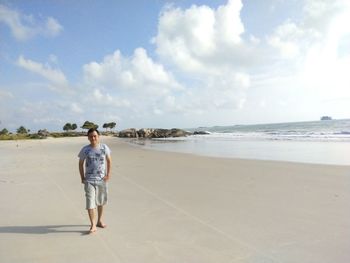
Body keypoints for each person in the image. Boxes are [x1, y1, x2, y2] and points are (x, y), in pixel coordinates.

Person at [78, 128, 111, 234]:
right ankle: (93, 224)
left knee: (100, 202)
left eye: (95, 136)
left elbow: (109, 161)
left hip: (101, 179)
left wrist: (108, 175)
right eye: (91, 136)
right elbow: (80, 163)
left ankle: (99, 221)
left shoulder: (104, 147)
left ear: (98, 137)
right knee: (90, 202)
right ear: (88, 137)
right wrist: (82, 177)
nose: (93, 138)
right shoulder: (85, 149)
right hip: (89, 180)